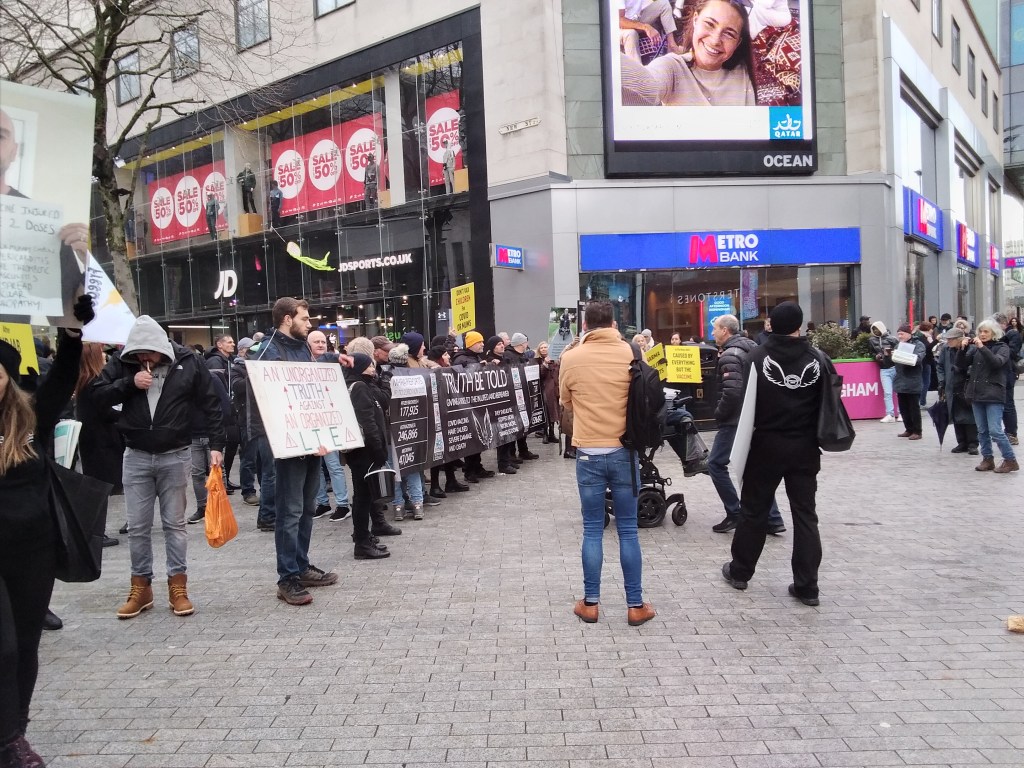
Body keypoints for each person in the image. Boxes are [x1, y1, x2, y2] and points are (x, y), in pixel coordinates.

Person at [0, 296, 92, 768]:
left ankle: (15, 732)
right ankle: (7, 738)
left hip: (32, 549)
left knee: (27, 646)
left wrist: (72, 332)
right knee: (5, 646)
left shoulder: (31, 416)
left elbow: (63, 376)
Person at [91, 314, 225, 619]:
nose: (143, 359)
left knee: (174, 525)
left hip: (175, 454)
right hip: (136, 453)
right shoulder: (125, 363)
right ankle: (141, 587)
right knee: (137, 526)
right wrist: (129, 384)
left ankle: (178, 586)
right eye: (138, 354)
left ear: (161, 348)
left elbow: (211, 403)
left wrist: (217, 445)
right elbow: (96, 395)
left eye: (148, 353)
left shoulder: (188, 361)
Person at [721, 302, 829, 607]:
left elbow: (745, 405)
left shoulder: (756, 357)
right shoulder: (817, 358)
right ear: (799, 325)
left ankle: (740, 571)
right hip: (805, 448)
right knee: (805, 515)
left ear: (771, 326)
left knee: (754, 511)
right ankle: (808, 586)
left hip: (765, 446)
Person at [559, 300, 656, 627]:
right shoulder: (631, 353)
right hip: (623, 451)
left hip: (588, 452)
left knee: (591, 529)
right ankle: (635, 605)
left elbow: (566, 402)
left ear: (585, 325)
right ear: (613, 323)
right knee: (628, 530)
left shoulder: (570, 358)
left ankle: (590, 603)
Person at [250, 298, 340, 605]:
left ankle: (300, 566)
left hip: (312, 441)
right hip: (288, 444)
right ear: (288, 319)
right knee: (289, 513)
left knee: (305, 509)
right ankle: (286, 577)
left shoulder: (301, 348)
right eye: (304, 318)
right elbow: (269, 399)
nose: (309, 323)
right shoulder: (268, 351)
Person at [706, 314, 786, 535]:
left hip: (734, 420)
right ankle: (773, 518)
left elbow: (732, 392)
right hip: (753, 417)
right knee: (753, 468)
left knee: (715, 464)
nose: (712, 333)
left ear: (725, 331)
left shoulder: (730, 355)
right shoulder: (753, 348)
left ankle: (735, 512)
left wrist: (719, 413)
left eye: (715, 329)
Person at [620, 0, 755, 107]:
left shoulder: (744, 71)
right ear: (695, 20)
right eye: (709, 24)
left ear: (738, 42)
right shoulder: (673, 67)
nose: (715, 41)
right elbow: (647, 87)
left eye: (729, 34)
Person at [74, 342, 124, 547]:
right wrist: (125, 415)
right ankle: (95, 533)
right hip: (101, 441)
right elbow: (104, 410)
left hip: (92, 440)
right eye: (101, 353)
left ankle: (95, 532)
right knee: (99, 489)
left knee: (97, 487)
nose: (104, 356)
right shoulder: (94, 381)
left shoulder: (83, 380)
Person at [343, 353, 393, 559]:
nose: (374, 369)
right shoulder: (360, 387)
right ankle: (362, 543)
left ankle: (365, 536)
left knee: (365, 496)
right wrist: (378, 448)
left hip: (363, 449)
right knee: (363, 497)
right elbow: (367, 421)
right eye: (370, 366)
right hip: (364, 450)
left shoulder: (362, 385)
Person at [306, 331, 352, 523]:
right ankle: (322, 503)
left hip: (328, 421)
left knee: (333, 465)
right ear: (307, 344)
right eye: (316, 341)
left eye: (323, 341)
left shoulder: (332, 361)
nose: (320, 344)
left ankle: (342, 504)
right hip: (309, 421)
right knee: (315, 466)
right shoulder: (301, 361)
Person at [965, 320, 1017, 473]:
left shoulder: (1002, 348)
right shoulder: (975, 349)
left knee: (995, 430)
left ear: (994, 333)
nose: (982, 334)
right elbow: (961, 365)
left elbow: (996, 363)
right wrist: (962, 349)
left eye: (986, 332)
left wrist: (981, 347)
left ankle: (1010, 459)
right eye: (980, 331)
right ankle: (987, 459)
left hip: (993, 393)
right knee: (982, 430)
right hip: (976, 393)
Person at [452, 331, 496, 482]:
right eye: (479, 342)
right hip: (466, 405)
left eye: (483, 341)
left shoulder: (474, 357)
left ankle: (477, 467)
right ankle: (470, 471)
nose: (482, 344)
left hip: (477, 403)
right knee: (471, 438)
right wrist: (477, 366)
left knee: (478, 437)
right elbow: (460, 376)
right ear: (471, 344)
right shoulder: (461, 359)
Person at [935, 328, 978, 455]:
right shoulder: (945, 350)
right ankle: (962, 442)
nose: (948, 341)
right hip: (951, 386)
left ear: (959, 339)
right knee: (955, 415)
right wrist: (941, 382)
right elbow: (940, 366)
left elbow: (973, 366)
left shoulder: (971, 349)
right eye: (947, 339)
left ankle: (973, 443)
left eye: (951, 339)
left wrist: (966, 371)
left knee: (969, 415)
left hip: (965, 386)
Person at [206, 335, 240, 489]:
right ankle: (220, 481)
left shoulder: (229, 360)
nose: (233, 344)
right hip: (222, 408)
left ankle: (224, 480)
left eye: (233, 342)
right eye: (229, 342)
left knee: (232, 443)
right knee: (227, 443)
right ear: (219, 344)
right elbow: (216, 388)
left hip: (230, 406)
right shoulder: (215, 361)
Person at [504, 333, 541, 463]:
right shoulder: (508, 356)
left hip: (523, 394)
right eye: (526, 342)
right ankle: (512, 454)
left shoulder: (522, 355)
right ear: (521, 344)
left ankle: (523, 450)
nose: (527, 345)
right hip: (513, 396)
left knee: (524, 424)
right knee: (514, 426)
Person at [619, 0, 684, 63]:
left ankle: (671, 45)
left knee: (664, 4)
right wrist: (645, 27)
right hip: (619, 28)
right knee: (631, 33)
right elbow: (619, 20)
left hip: (635, 19)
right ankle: (637, 70)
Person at [893, 324, 925, 440]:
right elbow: (894, 361)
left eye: (901, 333)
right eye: (898, 334)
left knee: (913, 407)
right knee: (903, 407)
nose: (899, 336)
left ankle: (917, 431)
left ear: (908, 334)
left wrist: (901, 356)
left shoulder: (918, 344)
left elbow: (918, 359)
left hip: (913, 380)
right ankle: (909, 429)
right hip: (901, 380)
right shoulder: (898, 345)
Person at [993, 313, 1020, 446]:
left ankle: (1011, 433)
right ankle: (1000, 432)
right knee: (998, 403)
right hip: (997, 372)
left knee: (1008, 403)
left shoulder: (1012, 334)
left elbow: (1013, 352)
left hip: (1008, 372)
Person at [868, 321, 900, 423]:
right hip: (884, 369)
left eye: (877, 329)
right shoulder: (871, 340)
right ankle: (890, 414)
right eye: (874, 330)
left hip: (895, 367)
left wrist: (891, 354)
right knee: (887, 392)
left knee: (899, 392)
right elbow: (872, 352)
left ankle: (901, 413)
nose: (876, 332)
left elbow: (899, 351)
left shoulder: (892, 339)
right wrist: (876, 356)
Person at [536, 341, 561, 444]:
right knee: (546, 412)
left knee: (554, 411)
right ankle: (545, 434)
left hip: (555, 389)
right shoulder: (537, 361)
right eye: (541, 348)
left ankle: (552, 433)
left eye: (545, 347)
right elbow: (540, 374)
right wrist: (545, 364)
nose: (543, 349)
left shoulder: (555, 360)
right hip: (545, 389)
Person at [913, 321, 937, 407]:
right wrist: (935, 341)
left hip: (922, 361)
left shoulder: (917, 335)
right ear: (929, 329)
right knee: (926, 381)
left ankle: (921, 400)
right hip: (925, 361)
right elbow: (929, 348)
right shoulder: (923, 337)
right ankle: (922, 401)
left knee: (923, 381)